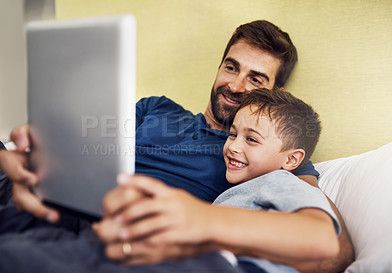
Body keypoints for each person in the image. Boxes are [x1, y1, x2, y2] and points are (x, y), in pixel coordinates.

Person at [0, 20, 354, 272]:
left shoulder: (265, 156)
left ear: (272, 92)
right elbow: (80, 146)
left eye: (255, 79)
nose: (235, 85)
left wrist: (202, 224)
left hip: (110, 235)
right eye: (231, 67)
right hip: (52, 200)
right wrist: (37, 150)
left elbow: (331, 251)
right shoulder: (155, 108)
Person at [94, 88, 341, 273]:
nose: (233, 146)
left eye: (252, 140)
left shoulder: (282, 180)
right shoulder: (238, 189)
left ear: (291, 160)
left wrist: (198, 220)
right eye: (232, 134)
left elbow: (324, 237)